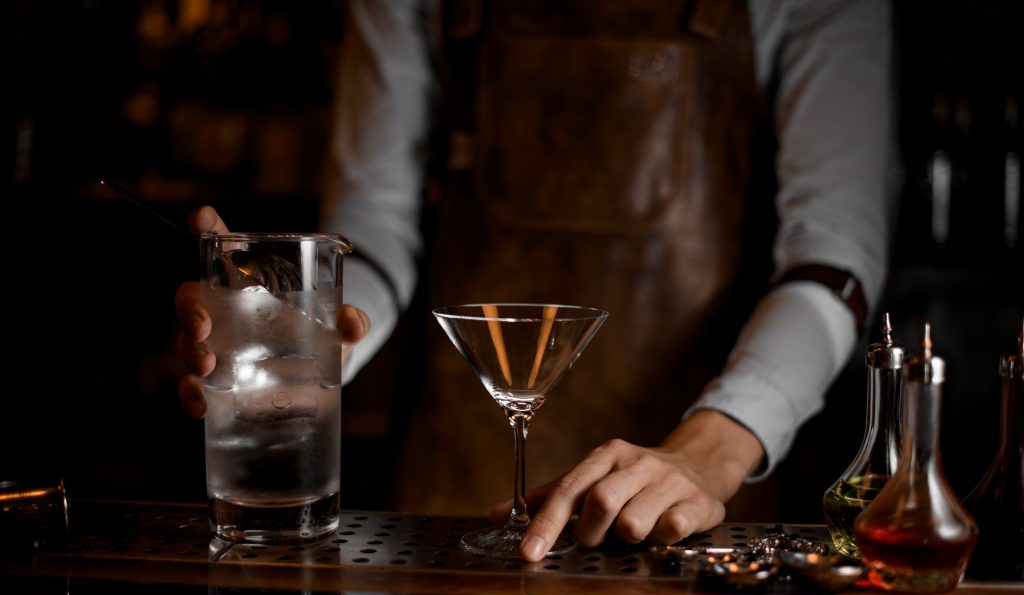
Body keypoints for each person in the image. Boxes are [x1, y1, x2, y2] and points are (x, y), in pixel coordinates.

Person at [177, 0, 893, 563]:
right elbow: (374, 230)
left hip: (690, 514)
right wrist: (305, 337)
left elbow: (832, 258)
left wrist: (712, 450)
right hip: (450, 506)